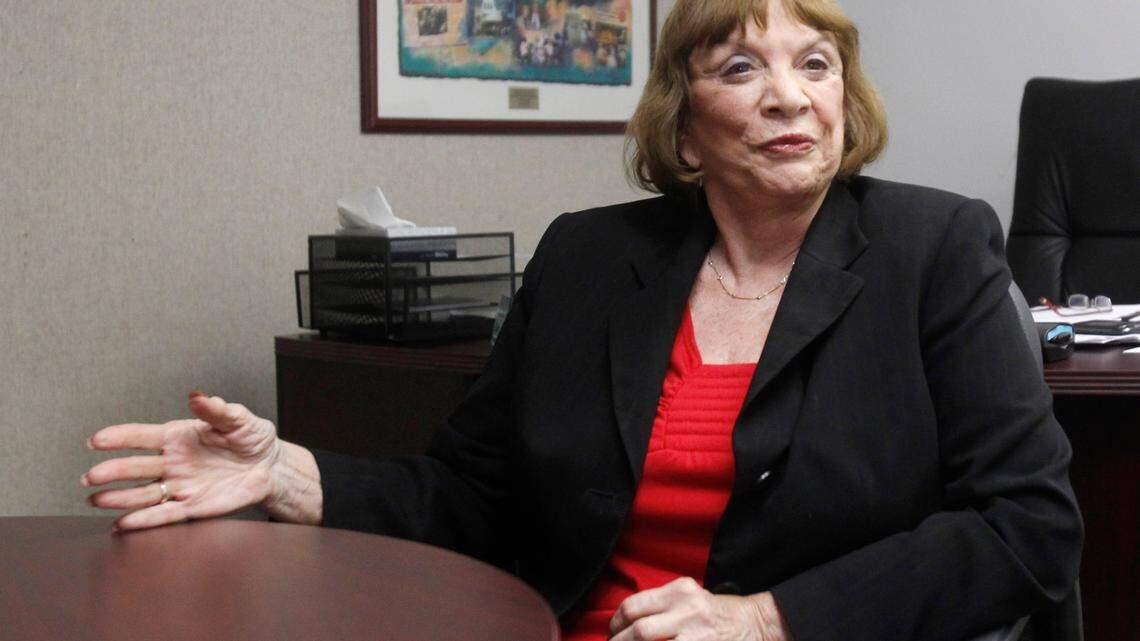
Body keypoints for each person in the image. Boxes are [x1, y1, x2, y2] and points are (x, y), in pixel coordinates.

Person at [82, 1, 1083, 640]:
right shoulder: (590, 258)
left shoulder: (933, 247)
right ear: (683, 130)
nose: (790, 97)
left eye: (815, 64)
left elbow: (1027, 529)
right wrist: (287, 471)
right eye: (739, 69)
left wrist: (763, 619)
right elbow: (477, 496)